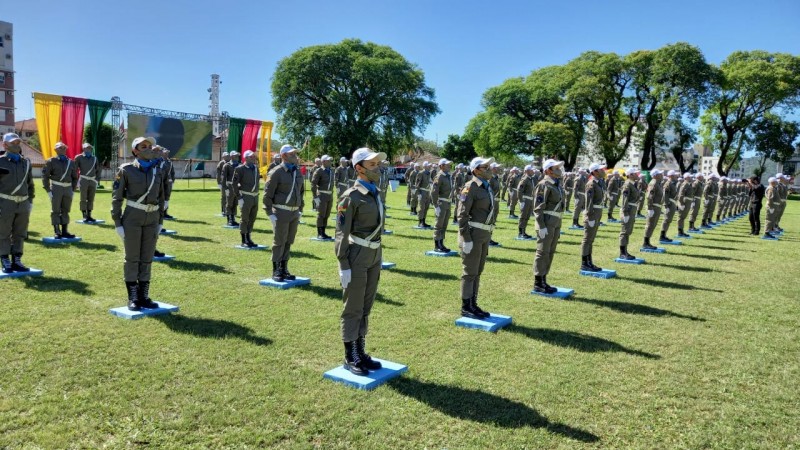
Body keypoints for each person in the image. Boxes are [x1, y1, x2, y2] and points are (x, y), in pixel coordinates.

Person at [335, 147, 386, 376]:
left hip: (374, 254)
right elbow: (340, 233)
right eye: (372, 164)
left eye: (377, 163)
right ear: (359, 168)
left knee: (366, 305)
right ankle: (350, 355)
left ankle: (360, 350)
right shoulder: (351, 197)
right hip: (356, 256)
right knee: (353, 307)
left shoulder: (376, 192)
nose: (378, 168)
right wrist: (343, 263)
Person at [111, 136, 164, 311]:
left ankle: (144, 296)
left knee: (147, 258)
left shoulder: (157, 170)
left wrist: (160, 221)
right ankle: (133, 297)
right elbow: (117, 198)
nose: (149, 148)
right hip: (132, 217)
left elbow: (161, 197)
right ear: (135, 151)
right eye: (144, 146)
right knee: (132, 258)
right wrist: (118, 222)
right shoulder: (125, 170)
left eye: (150, 145)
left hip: (152, 218)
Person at [457, 156, 496, 318]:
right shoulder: (470, 187)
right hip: (472, 234)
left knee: (477, 271)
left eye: (488, 166)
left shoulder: (487, 187)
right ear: (475, 170)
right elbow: (462, 215)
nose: (488, 169)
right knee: (470, 271)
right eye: (484, 167)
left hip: (484, 234)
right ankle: (466, 306)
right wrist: (465, 238)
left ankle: (473, 303)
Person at [263, 145, 304, 282]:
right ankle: (276, 270)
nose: (295, 156)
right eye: (292, 154)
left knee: (288, 241)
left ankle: (284, 268)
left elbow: (300, 192)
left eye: (295, 154)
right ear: (284, 156)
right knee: (279, 241)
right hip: (280, 211)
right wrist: (270, 213)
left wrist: (300, 210)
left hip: (294, 212)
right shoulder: (276, 172)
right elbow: (267, 194)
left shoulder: (297, 172)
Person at [0, 133, 35, 273]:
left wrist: (30, 201)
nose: (16, 145)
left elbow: (30, 184)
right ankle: (5, 259)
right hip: (5, 202)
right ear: (5, 145)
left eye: (18, 142)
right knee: (3, 232)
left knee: (20, 233)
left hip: (23, 204)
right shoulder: (0, 162)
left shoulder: (26, 163)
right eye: (13, 143)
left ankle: (17, 259)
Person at [532, 159, 565, 293]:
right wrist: (541, 225)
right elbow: (538, 207)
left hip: (555, 221)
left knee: (550, 252)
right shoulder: (544, 184)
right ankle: (538, 282)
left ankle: (544, 279)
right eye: (556, 168)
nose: (559, 169)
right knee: (542, 251)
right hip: (546, 222)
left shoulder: (557, 184)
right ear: (548, 170)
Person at [42, 142, 79, 239]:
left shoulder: (71, 162)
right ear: (55, 150)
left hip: (68, 188)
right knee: (56, 210)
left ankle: (65, 231)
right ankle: (57, 231)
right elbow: (45, 176)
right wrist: (48, 190)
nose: (62, 149)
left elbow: (75, 177)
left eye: (63, 148)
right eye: (59, 148)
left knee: (66, 210)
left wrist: (73, 189)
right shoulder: (51, 161)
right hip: (56, 187)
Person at [580, 163, 606, 271]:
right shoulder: (591, 184)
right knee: (587, 239)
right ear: (595, 171)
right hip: (592, 213)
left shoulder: (599, 183)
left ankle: (589, 262)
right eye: (600, 169)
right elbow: (589, 201)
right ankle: (585, 263)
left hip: (597, 212)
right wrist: (590, 216)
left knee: (591, 239)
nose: (603, 171)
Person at [232, 150, 261, 247]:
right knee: (245, 219)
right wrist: (239, 197)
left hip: (255, 197)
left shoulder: (256, 168)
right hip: (245, 196)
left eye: (253, 156)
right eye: (251, 156)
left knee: (252, 218)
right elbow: (234, 183)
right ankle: (243, 240)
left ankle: (249, 238)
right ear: (246, 158)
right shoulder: (240, 169)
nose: (253, 158)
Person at [618, 169, 641, 259]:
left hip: (631, 209)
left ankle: (625, 251)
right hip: (628, 209)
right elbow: (625, 200)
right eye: (635, 173)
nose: (637, 175)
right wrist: (625, 213)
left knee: (628, 231)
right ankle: (622, 253)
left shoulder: (632, 184)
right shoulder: (627, 184)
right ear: (630, 175)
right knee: (624, 231)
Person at [431, 158, 453, 252]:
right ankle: (437, 245)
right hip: (441, 203)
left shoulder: (448, 176)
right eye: (447, 165)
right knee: (439, 224)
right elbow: (434, 192)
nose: (449, 166)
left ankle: (441, 243)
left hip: (447, 202)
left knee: (444, 224)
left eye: (449, 165)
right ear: (441, 166)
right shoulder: (439, 176)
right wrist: (436, 205)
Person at [74, 143, 100, 223]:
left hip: (92, 180)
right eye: (87, 148)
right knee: (83, 198)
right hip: (84, 179)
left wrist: (97, 180)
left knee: (91, 198)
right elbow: (75, 169)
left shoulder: (94, 158)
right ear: (83, 149)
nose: (88, 150)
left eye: (90, 148)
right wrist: (75, 180)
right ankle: (84, 215)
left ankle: (89, 214)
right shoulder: (79, 157)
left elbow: (98, 169)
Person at [311, 154, 335, 240]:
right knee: (321, 214)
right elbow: (313, 184)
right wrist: (315, 197)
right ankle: (319, 233)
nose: (330, 162)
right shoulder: (319, 171)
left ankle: (324, 232)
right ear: (323, 162)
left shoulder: (331, 171)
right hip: (322, 194)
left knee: (327, 214)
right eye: (328, 161)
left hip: (329, 195)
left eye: (330, 161)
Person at [641, 169, 664, 250]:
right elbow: (649, 197)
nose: (662, 175)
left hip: (656, 207)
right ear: (655, 175)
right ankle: (645, 243)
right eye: (660, 174)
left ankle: (647, 242)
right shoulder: (653, 183)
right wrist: (650, 208)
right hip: (653, 207)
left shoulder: (657, 183)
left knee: (652, 225)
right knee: (650, 225)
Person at [516, 165, 536, 239]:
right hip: (525, 200)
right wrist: (521, 201)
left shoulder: (530, 179)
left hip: (530, 200)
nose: (533, 171)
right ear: (527, 171)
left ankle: (524, 232)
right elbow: (519, 190)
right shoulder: (525, 179)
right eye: (531, 170)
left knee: (527, 216)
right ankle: (521, 233)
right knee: (523, 216)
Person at [659, 170, 680, 242]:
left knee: (668, 220)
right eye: (674, 175)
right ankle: (662, 236)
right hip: (669, 204)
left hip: (672, 203)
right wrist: (666, 205)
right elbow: (665, 195)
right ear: (670, 176)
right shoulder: (668, 184)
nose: (676, 177)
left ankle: (664, 235)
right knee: (666, 220)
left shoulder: (672, 183)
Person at [223, 151, 241, 226]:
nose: (237, 157)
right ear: (231, 157)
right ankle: (229, 219)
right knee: (229, 203)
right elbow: (223, 177)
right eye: (235, 156)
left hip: (237, 186)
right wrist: (225, 187)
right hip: (230, 186)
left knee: (235, 203)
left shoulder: (240, 165)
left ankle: (233, 218)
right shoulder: (227, 165)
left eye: (237, 156)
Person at [158, 146, 176, 220]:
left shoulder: (169, 162)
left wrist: (173, 181)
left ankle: (165, 213)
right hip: (161, 182)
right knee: (160, 198)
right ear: (161, 153)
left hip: (168, 183)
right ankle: (160, 214)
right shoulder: (159, 161)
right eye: (165, 153)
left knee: (167, 198)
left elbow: (172, 172)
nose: (167, 154)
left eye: (167, 153)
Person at [415, 161, 433, 228]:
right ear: (425, 166)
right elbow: (417, 184)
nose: (430, 167)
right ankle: (420, 222)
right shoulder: (421, 173)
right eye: (428, 166)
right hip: (422, 191)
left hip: (427, 192)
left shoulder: (429, 173)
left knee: (426, 207)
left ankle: (424, 221)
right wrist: (418, 193)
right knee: (421, 207)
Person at [488, 163, 502, 246]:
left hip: (496, 201)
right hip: (492, 201)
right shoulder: (490, 179)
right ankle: (488, 238)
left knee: (493, 221)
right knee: (490, 220)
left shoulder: (496, 178)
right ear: (492, 169)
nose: (498, 169)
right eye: (496, 168)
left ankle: (490, 238)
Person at [676, 172, 693, 238]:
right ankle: (680, 232)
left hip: (687, 202)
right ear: (686, 178)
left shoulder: (688, 184)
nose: (691, 178)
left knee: (683, 217)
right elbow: (681, 194)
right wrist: (681, 204)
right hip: (684, 202)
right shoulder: (685, 184)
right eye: (690, 177)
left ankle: (681, 231)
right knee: (681, 217)